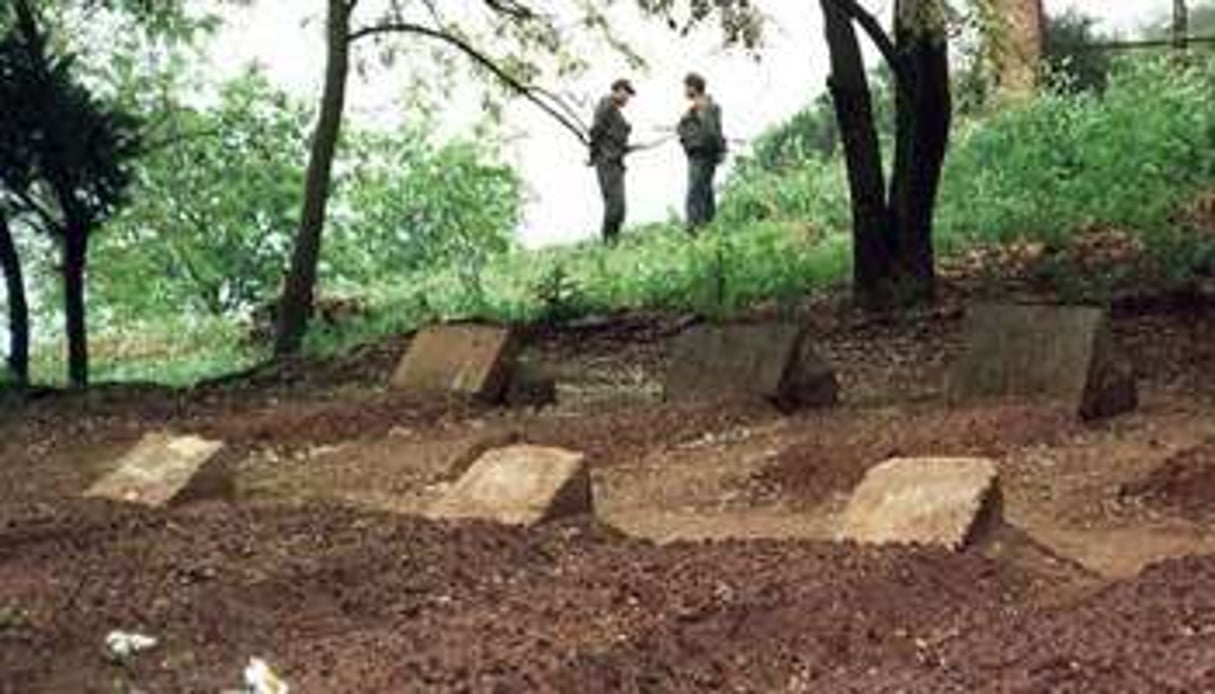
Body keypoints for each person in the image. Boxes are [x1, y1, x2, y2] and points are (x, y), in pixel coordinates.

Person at [588, 78, 635, 244]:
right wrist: (594, 155)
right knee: (615, 205)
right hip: (607, 162)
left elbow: (612, 137)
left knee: (619, 206)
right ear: (618, 90)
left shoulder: (613, 110)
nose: (628, 97)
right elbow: (595, 131)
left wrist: (624, 147)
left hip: (615, 161)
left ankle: (612, 241)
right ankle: (608, 242)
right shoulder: (606, 105)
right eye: (627, 93)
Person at [677, 72, 726, 231]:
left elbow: (712, 132)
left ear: (693, 87)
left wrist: (720, 150)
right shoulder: (693, 110)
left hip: (703, 156)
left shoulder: (706, 107)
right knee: (705, 192)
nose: (684, 90)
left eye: (686, 87)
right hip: (696, 155)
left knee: (695, 193)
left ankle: (694, 230)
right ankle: (709, 229)